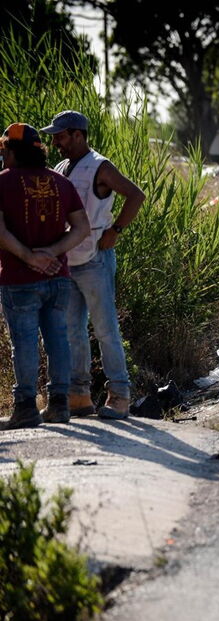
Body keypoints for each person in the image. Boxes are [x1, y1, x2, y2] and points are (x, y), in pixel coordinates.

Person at [41, 110, 145, 419]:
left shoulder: (101, 166)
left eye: (60, 136)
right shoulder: (62, 166)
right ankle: (79, 397)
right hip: (69, 260)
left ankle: (120, 396)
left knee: (105, 329)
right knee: (72, 331)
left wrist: (116, 231)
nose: (56, 142)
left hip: (96, 258)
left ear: (77, 134)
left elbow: (136, 195)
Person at [0, 123, 90, 429]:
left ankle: (25, 408)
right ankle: (59, 406)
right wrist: (53, 253)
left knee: (24, 343)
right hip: (58, 276)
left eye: (4, 151)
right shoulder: (60, 183)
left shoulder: (3, 182)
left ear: (12, 152)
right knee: (58, 340)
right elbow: (82, 228)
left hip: (18, 278)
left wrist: (29, 256)